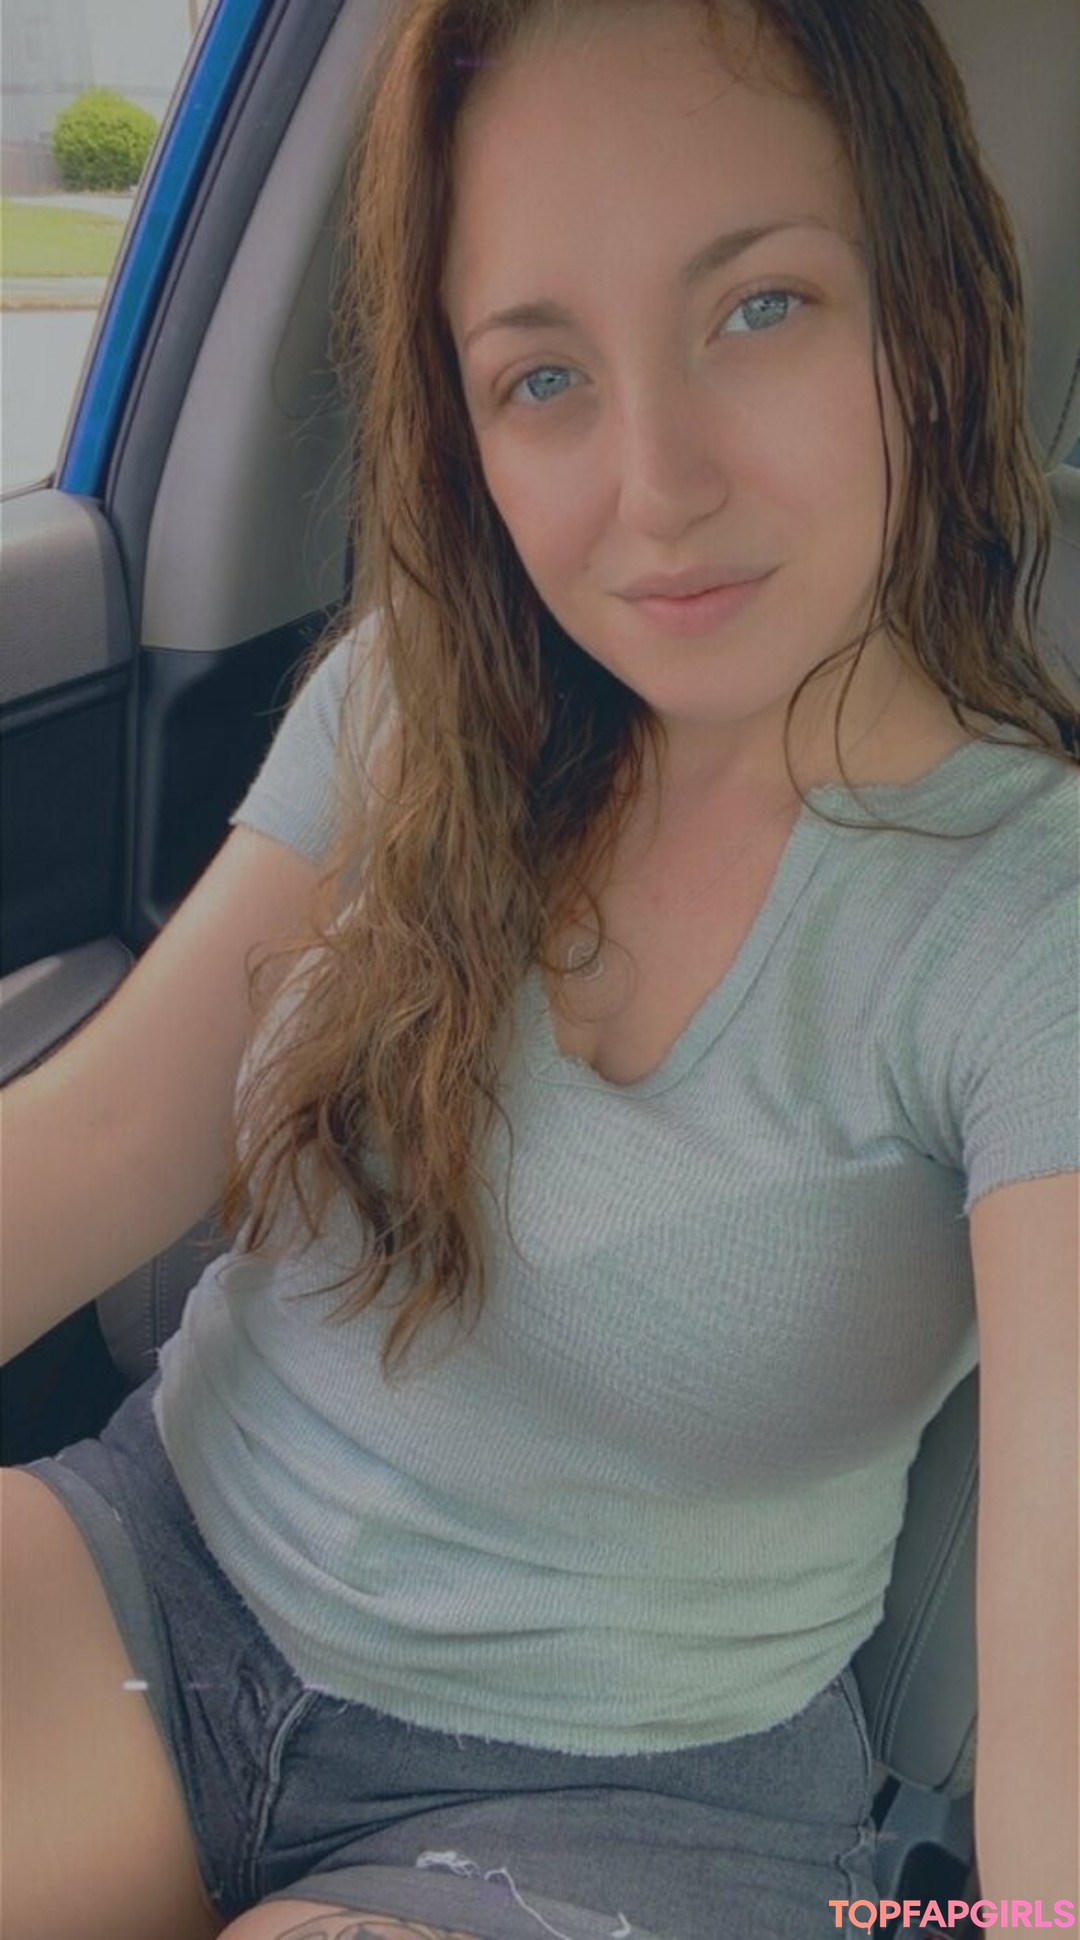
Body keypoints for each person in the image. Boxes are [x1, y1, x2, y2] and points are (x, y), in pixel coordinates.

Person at [2, 0, 1077, 1935]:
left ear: (922, 308)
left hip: (622, 1797)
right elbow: (108, 1137)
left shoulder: (1027, 916)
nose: (655, 485)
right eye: (544, 376)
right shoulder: (419, 697)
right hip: (171, 1573)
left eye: (760, 307)